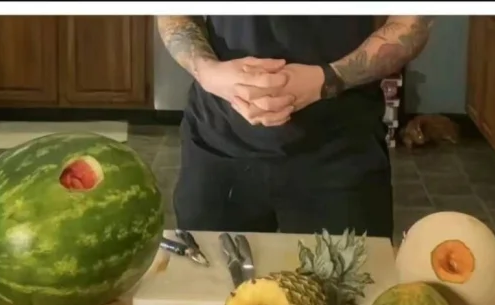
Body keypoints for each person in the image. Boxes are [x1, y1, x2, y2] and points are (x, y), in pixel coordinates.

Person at [156, 15, 433, 238]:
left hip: (342, 151)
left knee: (346, 290)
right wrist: (208, 72)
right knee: (212, 286)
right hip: (218, 145)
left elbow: (411, 23)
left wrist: (329, 79)